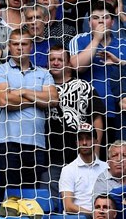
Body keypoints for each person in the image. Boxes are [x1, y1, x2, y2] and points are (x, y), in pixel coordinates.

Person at [0, 28, 58, 197]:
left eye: (24, 44)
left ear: (31, 46)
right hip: (8, 142)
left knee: (32, 196)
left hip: (36, 143)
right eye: (15, 44)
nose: (19, 48)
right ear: (9, 46)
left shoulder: (44, 73)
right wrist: (36, 100)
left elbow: (53, 100)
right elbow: (4, 101)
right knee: (11, 195)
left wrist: (23, 92)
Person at [43, 45, 104, 202]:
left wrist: (95, 153)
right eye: (52, 59)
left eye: (60, 59)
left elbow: (97, 119)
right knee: (51, 201)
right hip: (50, 157)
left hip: (80, 156)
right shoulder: (41, 87)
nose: (55, 63)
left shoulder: (84, 87)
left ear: (69, 62)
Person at [69, 0, 126, 143]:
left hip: (119, 113)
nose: (101, 22)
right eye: (95, 18)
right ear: (89, 23)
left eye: (105, 18)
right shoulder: (79, 40)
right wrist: (96, 40)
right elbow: (77, 66)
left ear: (112, 23)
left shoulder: (123, 44)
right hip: (89, 112)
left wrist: (119, 63)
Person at [59, 123, 108, 217]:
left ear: (96, 141)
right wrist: (94, 214)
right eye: (80, 139)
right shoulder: (68, 170)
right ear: (76, 143)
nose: (84, 143)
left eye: (88, 138)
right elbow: (68, 206)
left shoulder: (105, 167)